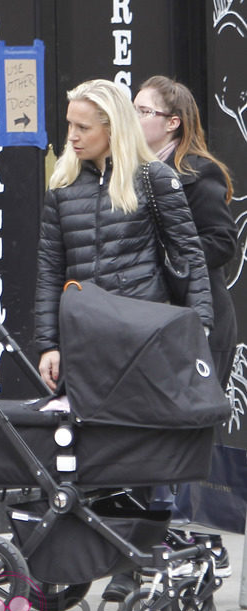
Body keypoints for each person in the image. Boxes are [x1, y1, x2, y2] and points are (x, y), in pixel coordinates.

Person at [33, 79, 213, 602]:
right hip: (86, 345)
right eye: (68, 124)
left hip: (142, 341)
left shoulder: (154, 180)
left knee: (143, 458)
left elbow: (190, 258)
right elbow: (48, 271)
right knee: (89, 458)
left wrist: (197, 330)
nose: (71, 135)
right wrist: (49, 343)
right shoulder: (62, 186)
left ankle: (133, 568)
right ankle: (95, 558)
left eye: (82, 127)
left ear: (113, 129)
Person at [135, 76, 238, 385]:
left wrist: (166, 260)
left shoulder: (198, 171)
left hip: (199, 320)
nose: (133, 119)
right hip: (154, 320)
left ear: (172, 123)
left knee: (197, 427)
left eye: (143, 111)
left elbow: (222, 242)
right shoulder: (130, 172)